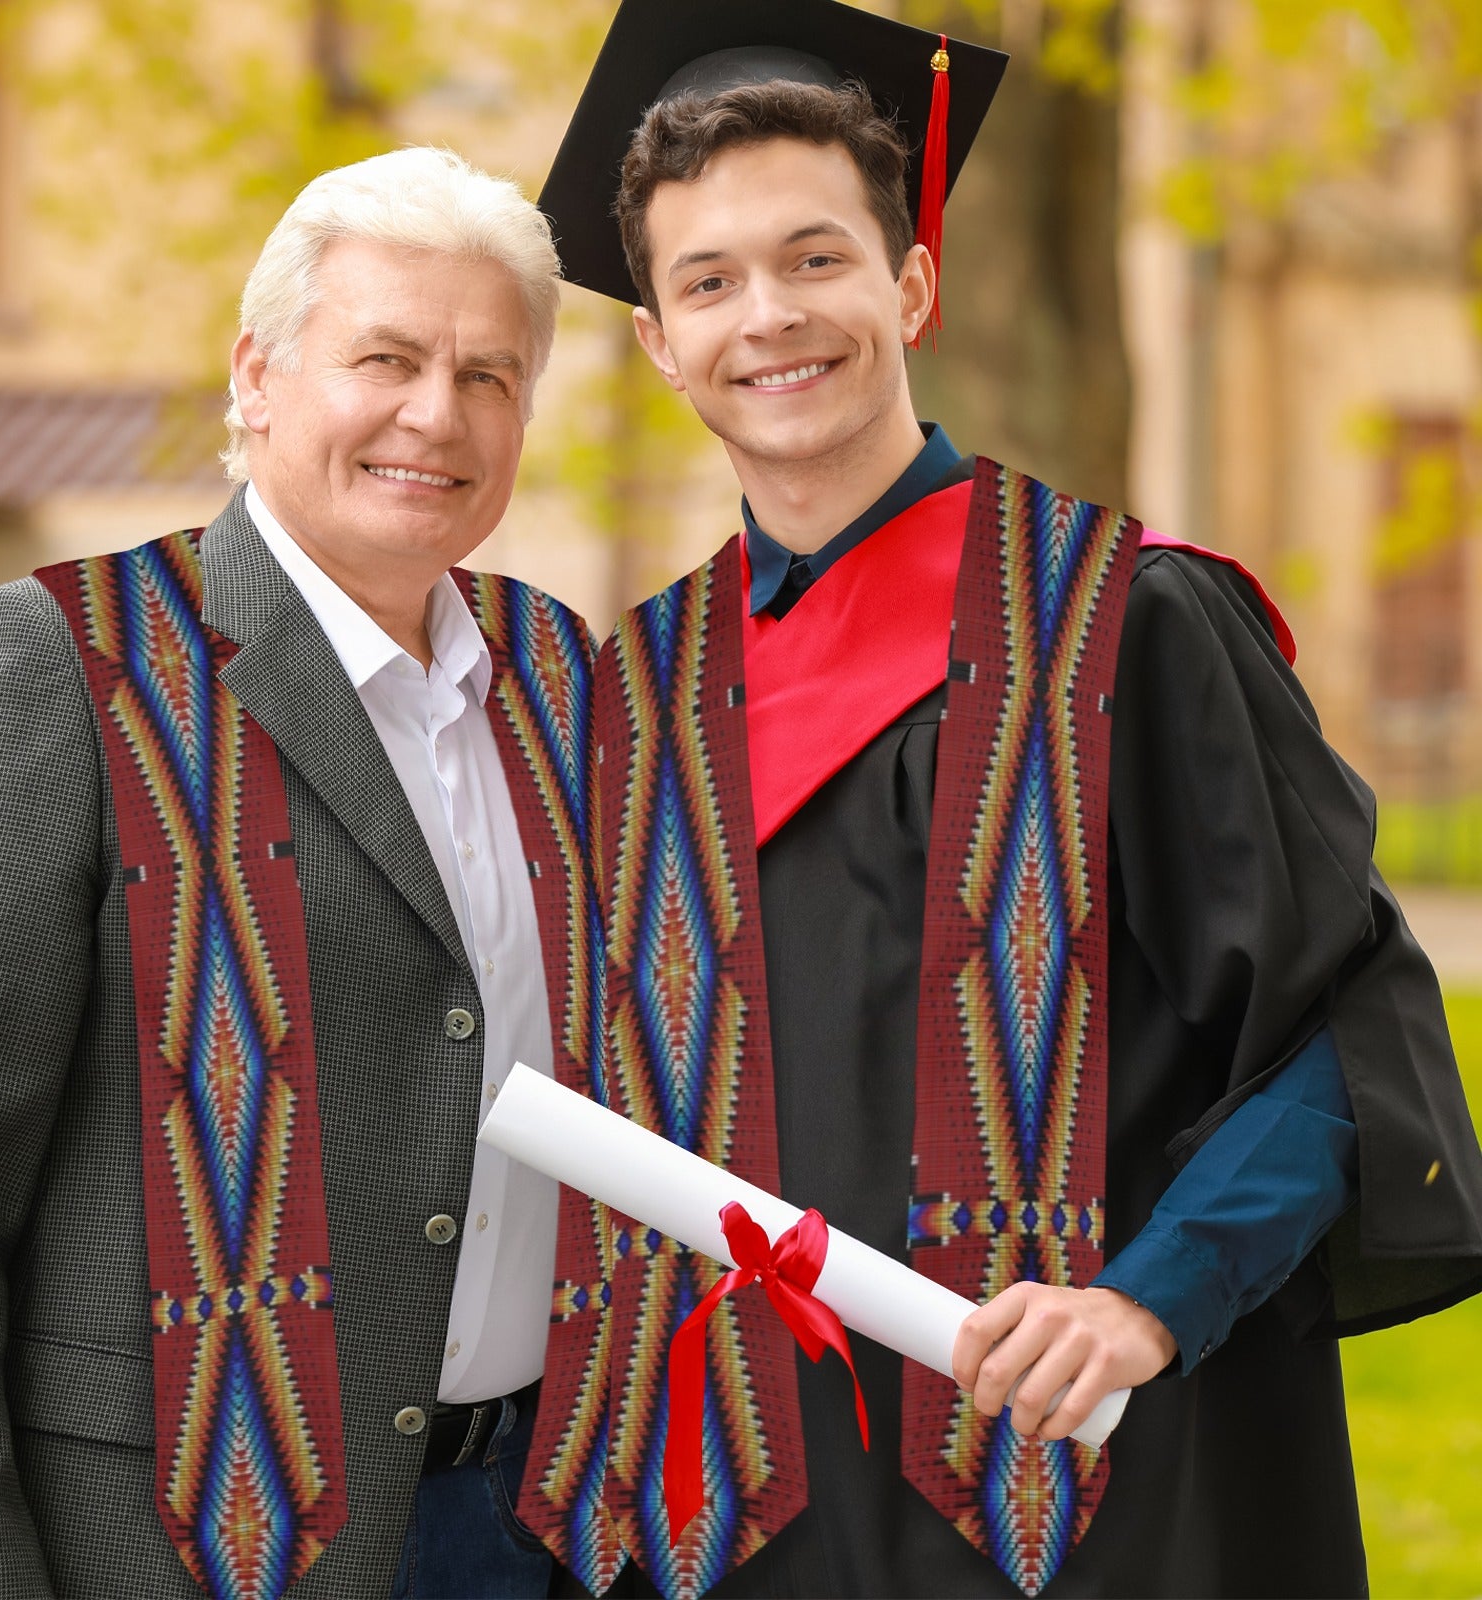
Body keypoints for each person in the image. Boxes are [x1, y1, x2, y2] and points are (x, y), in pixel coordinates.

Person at [517, 3, 1482, 1597]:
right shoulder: (633, 699)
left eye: (816, 258)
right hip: (742, 1523)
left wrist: (1151, 1299)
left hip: (1087, 1490)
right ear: (659, 341)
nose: (769, 316)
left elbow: (1343, 1033)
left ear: (911, 282)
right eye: (709, 281)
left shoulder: (1131, 624)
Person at [0, 146, 598, 1600]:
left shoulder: (564, 681)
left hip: (530, 1529)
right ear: (258, 377)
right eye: (385, 357)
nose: (434, 414)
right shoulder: (65, 664)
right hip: (175, 1546)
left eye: (488, 375)